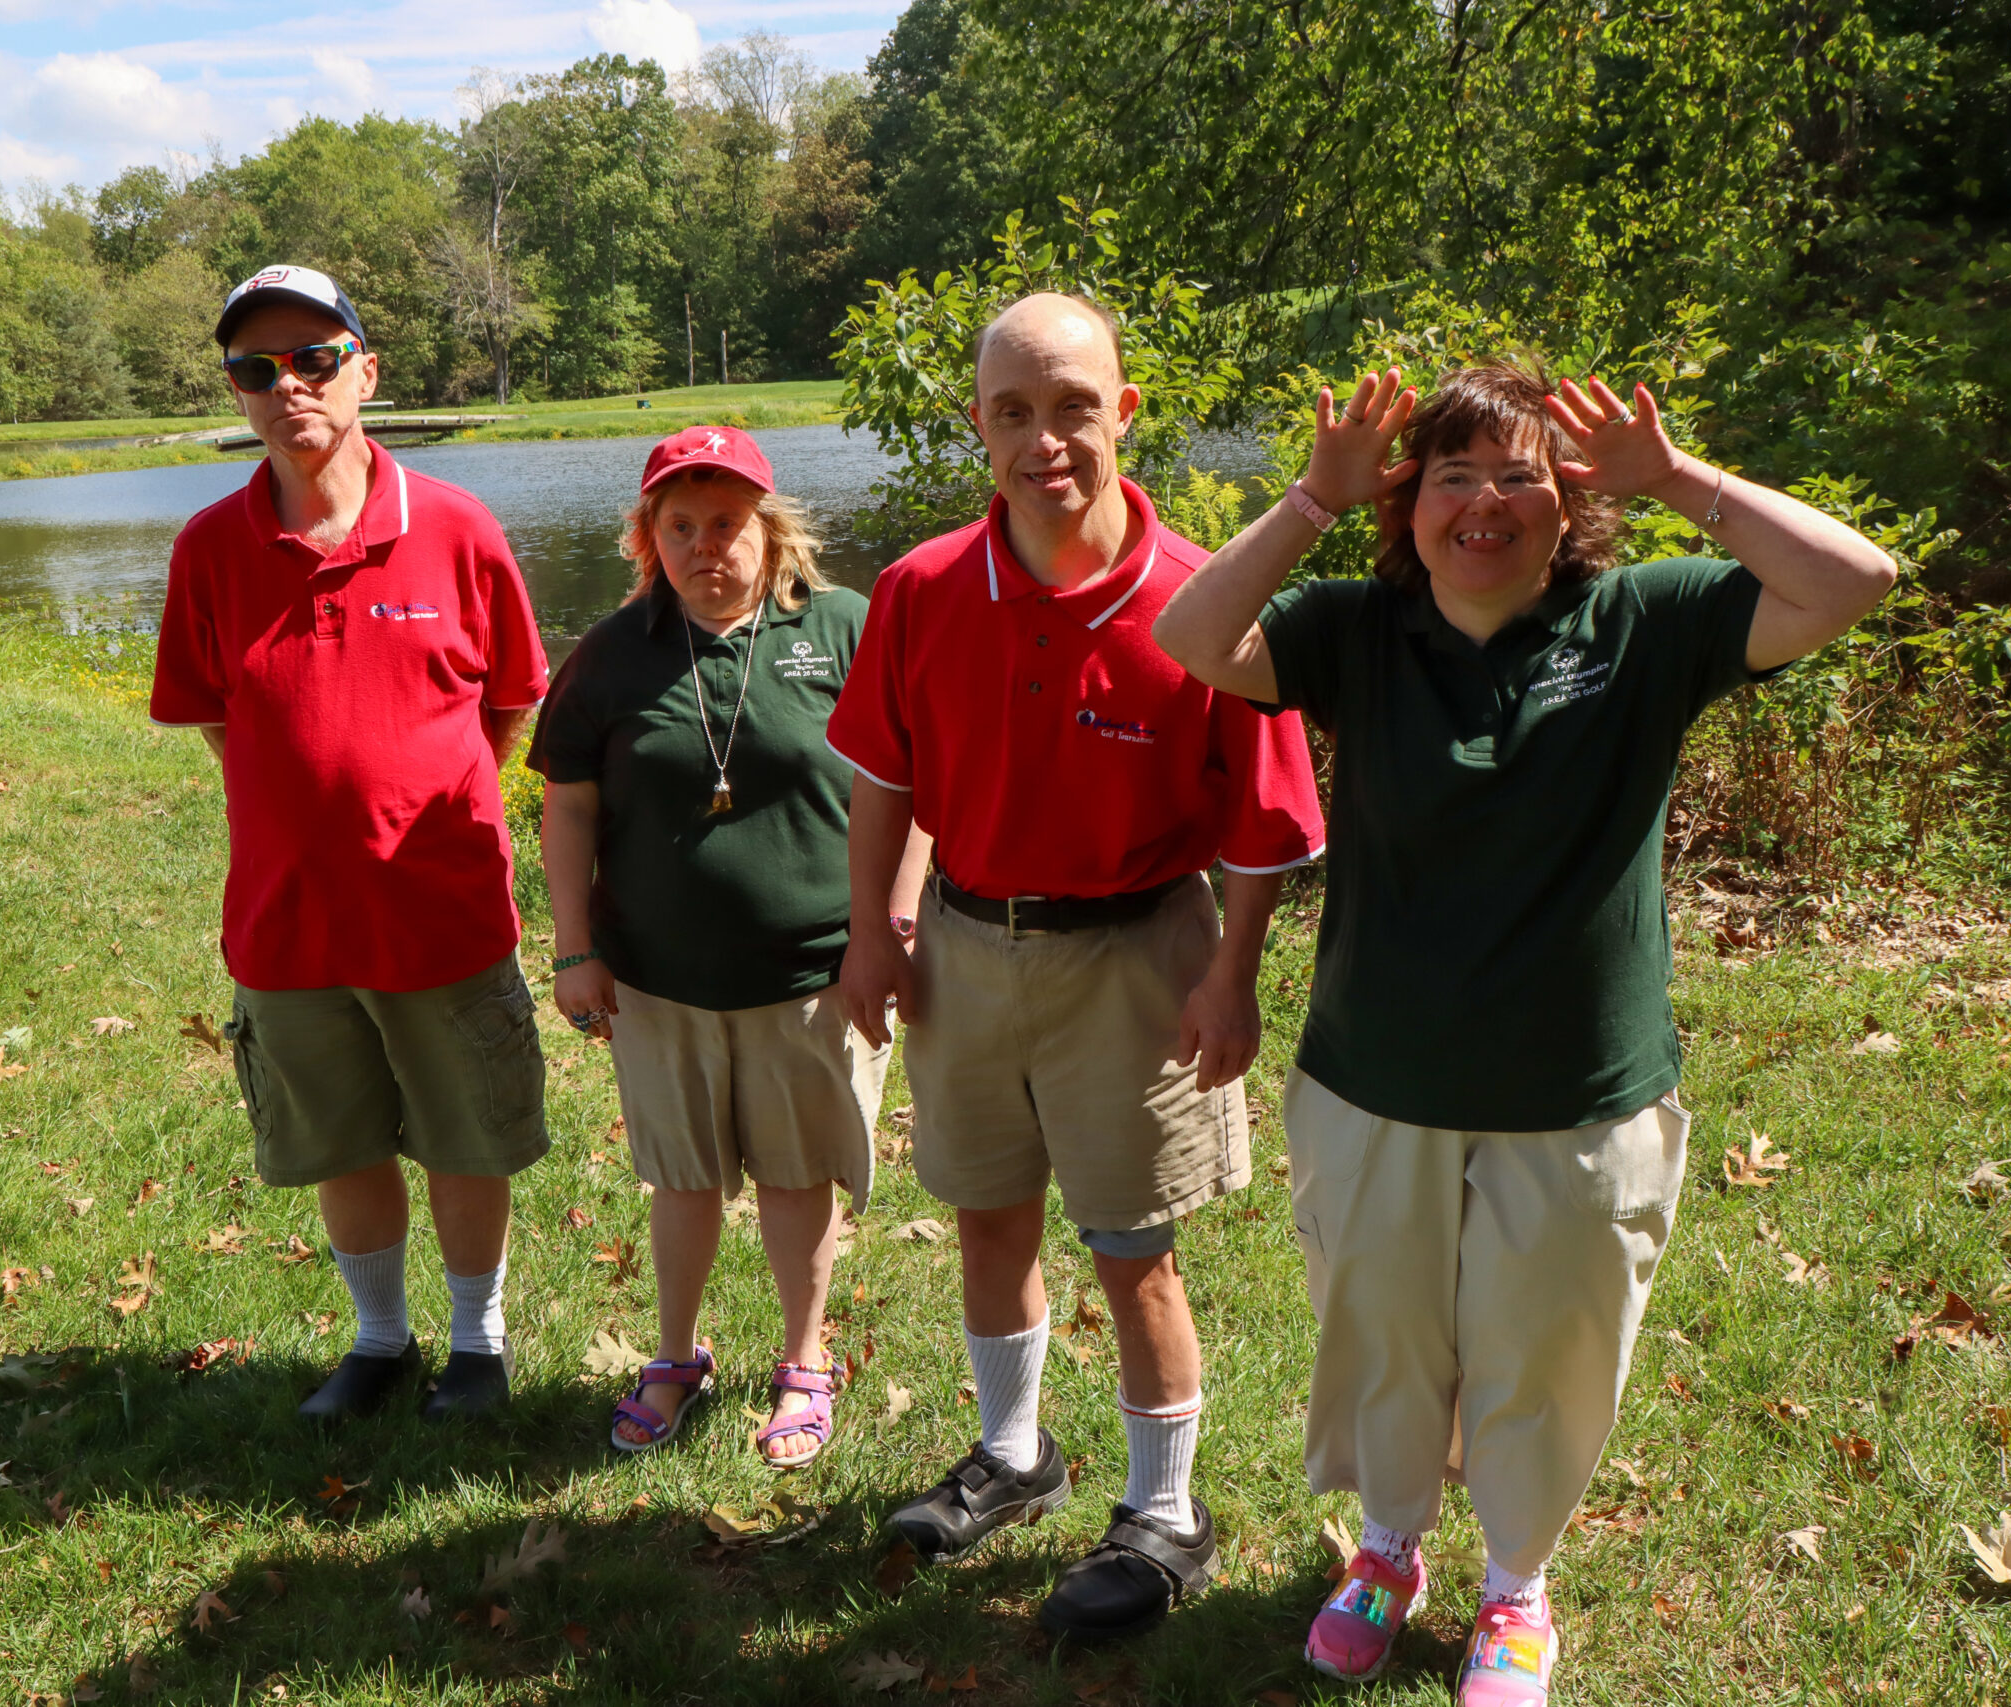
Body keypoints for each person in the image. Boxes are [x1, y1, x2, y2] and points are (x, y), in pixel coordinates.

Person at [1152, 361, 1898, 1703]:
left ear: (1570, 503)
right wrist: (1310, 503)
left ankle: (1515, 1582)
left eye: (1519, 474)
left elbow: (1856, 578)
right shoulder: (1357, 628)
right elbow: (1193, 637)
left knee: (1547, 1342)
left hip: (1581, 1086)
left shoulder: (1643, 621)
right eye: (1453, 474)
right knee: (1381, 1328)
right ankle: (1386, 1548)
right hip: (1374, 1075)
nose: (1485, 502)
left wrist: (1679, 481)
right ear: (1409, 501)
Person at [828, 292, 1325, 1643]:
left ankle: (1166, 1507)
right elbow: (886, 772)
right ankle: (1013, 1452)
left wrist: (1234, 971)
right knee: (988, 1213)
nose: (1045, 439)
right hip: (971, 946)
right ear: (978, 425)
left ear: (1126, 413)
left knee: (1130, 1244)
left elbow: (1268, 820)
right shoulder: (924, 588)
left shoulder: (1203, 600)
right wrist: (876, 924)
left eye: (1072, 407)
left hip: (1138, 955)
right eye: (1012, 411)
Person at [149, 264, 552, 1422]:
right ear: (237, 390)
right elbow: (222, 721)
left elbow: (511, 701)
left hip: (441, 908)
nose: (291, 388)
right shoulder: (209, 550)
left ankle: (478, 1344)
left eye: (316, 360)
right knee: (338, 1140)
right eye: (258, 369)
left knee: (465, 1134)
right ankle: (381, 1343)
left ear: (366, 371)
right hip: (288, 919)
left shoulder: (459, 530)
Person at [529, 425, 928, 1466]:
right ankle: (674, 1357)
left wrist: (891, 925)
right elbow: (566, 808)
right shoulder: (614, 654)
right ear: (647, 537)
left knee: (798, 1176)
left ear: (770, 528)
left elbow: (916, 785)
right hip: (659, 982)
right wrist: (574, 949)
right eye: (681, 525)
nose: (708, 545)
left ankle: (804, 1360)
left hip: (813, 974)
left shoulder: (843, 628)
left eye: (727, 522)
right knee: (683, 1178)